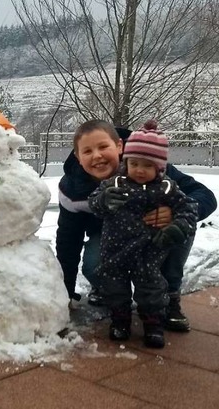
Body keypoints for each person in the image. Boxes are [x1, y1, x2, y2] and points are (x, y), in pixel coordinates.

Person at [56, 119, 216, 331]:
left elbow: (205, 196)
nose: (97, 155)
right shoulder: (72, 189)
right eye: (88, 151)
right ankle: (108, 290)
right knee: (94, 265)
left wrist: (174, 213)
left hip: (153, 238)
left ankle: (169, 296)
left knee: (184, 222)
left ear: (119, 146)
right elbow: (68, 241)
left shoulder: (147, 163)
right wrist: (64, 293)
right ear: (78, 157)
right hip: (111, 241)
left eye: (104, 147)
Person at [88, 120, 198, 348]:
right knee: (115, 288)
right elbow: (94, 204)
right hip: (115, 250)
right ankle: (120, 321)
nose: (139, 170)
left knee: (151, 289)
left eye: (147, 165)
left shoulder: (167, 187)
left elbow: (189, 208)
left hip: (149, 252)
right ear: (126, 162)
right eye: (134, 163)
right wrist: (104, 201)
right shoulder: (115, 183)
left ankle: (153, 324)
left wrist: (177, 226)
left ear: (159, 167)